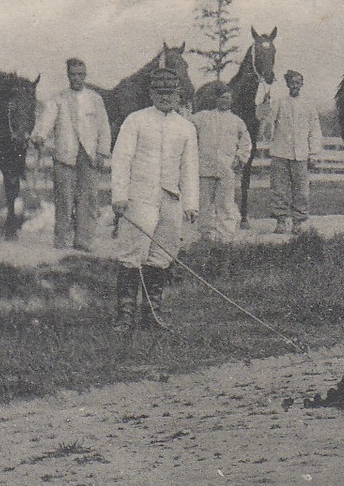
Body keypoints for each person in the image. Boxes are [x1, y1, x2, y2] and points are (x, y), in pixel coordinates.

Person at [110, 68, 199, 331]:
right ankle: (125, 317)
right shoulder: (135, 121)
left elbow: (189, 167)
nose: (165, 97)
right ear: (150, 94)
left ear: (178, 95)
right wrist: (119, 195)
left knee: (161, 255)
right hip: (140, 197)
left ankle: (152, 316)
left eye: (170, 93)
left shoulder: (185, 127)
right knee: (132, 254)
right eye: (159, 93)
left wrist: (191, 203)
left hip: (170, 199)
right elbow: (121, 159)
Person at [32, 56, 111, 251]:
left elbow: (104, 128)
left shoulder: (95, 99)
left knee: (89, 199)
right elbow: (46, 121)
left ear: (85, 75)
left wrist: (102, 152)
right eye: (73, 75)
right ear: (68, 76)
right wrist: (40, 136)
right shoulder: (58, 99)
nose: (77, 78)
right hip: (65, 156)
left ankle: (84, 240)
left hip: (89, 156)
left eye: (81, 75)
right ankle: (62, 240)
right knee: (64, 199)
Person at [261, 68, 324, 235]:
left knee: (301, 190)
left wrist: (314, 153)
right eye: (291, 83)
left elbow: (314, 131)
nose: (294, 86)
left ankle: (298, 222)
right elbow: (268, 127)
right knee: (279, 189)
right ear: (287, 84)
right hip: (280, 153)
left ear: (302, 84)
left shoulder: (309, 105)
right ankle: (281, 221)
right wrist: (266, 108)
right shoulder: (280, 103)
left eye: (298, 82)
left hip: (301, 155)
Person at [192, 81, 252, 243]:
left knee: (225, 204)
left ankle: (225, 237)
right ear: (216, 99)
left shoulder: (237, 121)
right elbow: (186, 124)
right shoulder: (202, 117)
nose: (224, 101)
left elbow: (246, 143)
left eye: (227, 98)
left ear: (231, 101)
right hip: (205, 169)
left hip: (226, 170)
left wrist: (240, 158)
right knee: (204, 204)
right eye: (221, 98)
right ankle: (205, 235)